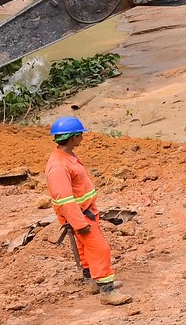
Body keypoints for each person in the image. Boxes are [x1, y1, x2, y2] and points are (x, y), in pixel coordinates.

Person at [46, 116, 132, 305]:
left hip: (85, 212)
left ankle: (91, 281)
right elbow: (65, 199)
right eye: (80, 135)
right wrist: (80, 223)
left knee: (85, 249)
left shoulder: (68, 157)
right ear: (74, 137)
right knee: (100, 249)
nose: (82, 138)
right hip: (79, 216)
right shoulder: (59, 166)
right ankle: (107, 292)